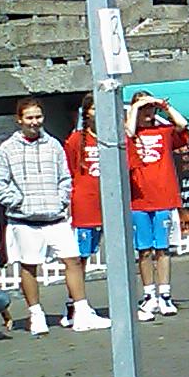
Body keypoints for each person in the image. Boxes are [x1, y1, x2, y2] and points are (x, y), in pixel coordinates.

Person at [0, 95, 106, 336]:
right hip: (24, 220)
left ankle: (81, 311)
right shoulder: (7, 149)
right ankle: (36, 314)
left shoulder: (53, 145)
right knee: (29, 266)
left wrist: (61, 199)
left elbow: (65, 177)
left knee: (73, 260)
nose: (34, 122)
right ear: (19, 120)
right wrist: (20, 202)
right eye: (29, 117)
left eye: (38, 116)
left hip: (55, 217)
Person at [125, 91, 189, 321]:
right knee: (144, 250)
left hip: (163, 197)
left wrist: (163, 106)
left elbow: (182, 125)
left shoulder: (164, 131)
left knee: (162, 248)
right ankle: (148, 294)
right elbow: (128, 132)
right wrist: (135, 108)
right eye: (143, 108)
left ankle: (164, 294)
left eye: (150, 108)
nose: (148, 113)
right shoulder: (129, 134)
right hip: (138, 200)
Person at [63, 101, 104, 279]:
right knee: (82, 255)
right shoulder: (76, 139)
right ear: (87, 112)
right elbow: (69, 169)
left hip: (109, 201)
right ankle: (77, 293)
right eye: (94, 108)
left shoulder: (114, 136)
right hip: (85, 202)